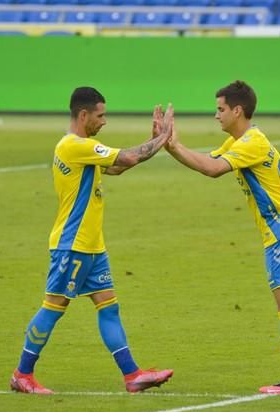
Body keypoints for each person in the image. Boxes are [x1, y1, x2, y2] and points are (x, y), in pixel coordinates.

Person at [164, 80, 280, 394]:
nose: (216, 116)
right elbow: (207, 161)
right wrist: (173, 147)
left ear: (237, 110)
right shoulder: (244, 141)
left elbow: (212, 170)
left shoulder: (251, 144)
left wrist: (173, 145)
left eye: (220, 109)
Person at [10, 87, 175, 394]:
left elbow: (116, 167)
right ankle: (22, 374)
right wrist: (163, 137)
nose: (104, 121)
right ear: (83, 115)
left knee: (108, 307)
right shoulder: (74, 146)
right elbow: (126, 157)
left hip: (91, 246)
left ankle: (132, 375)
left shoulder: (82, 148)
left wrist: (155, 142)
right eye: (101, 115)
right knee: (53, 307)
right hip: (73, 245)